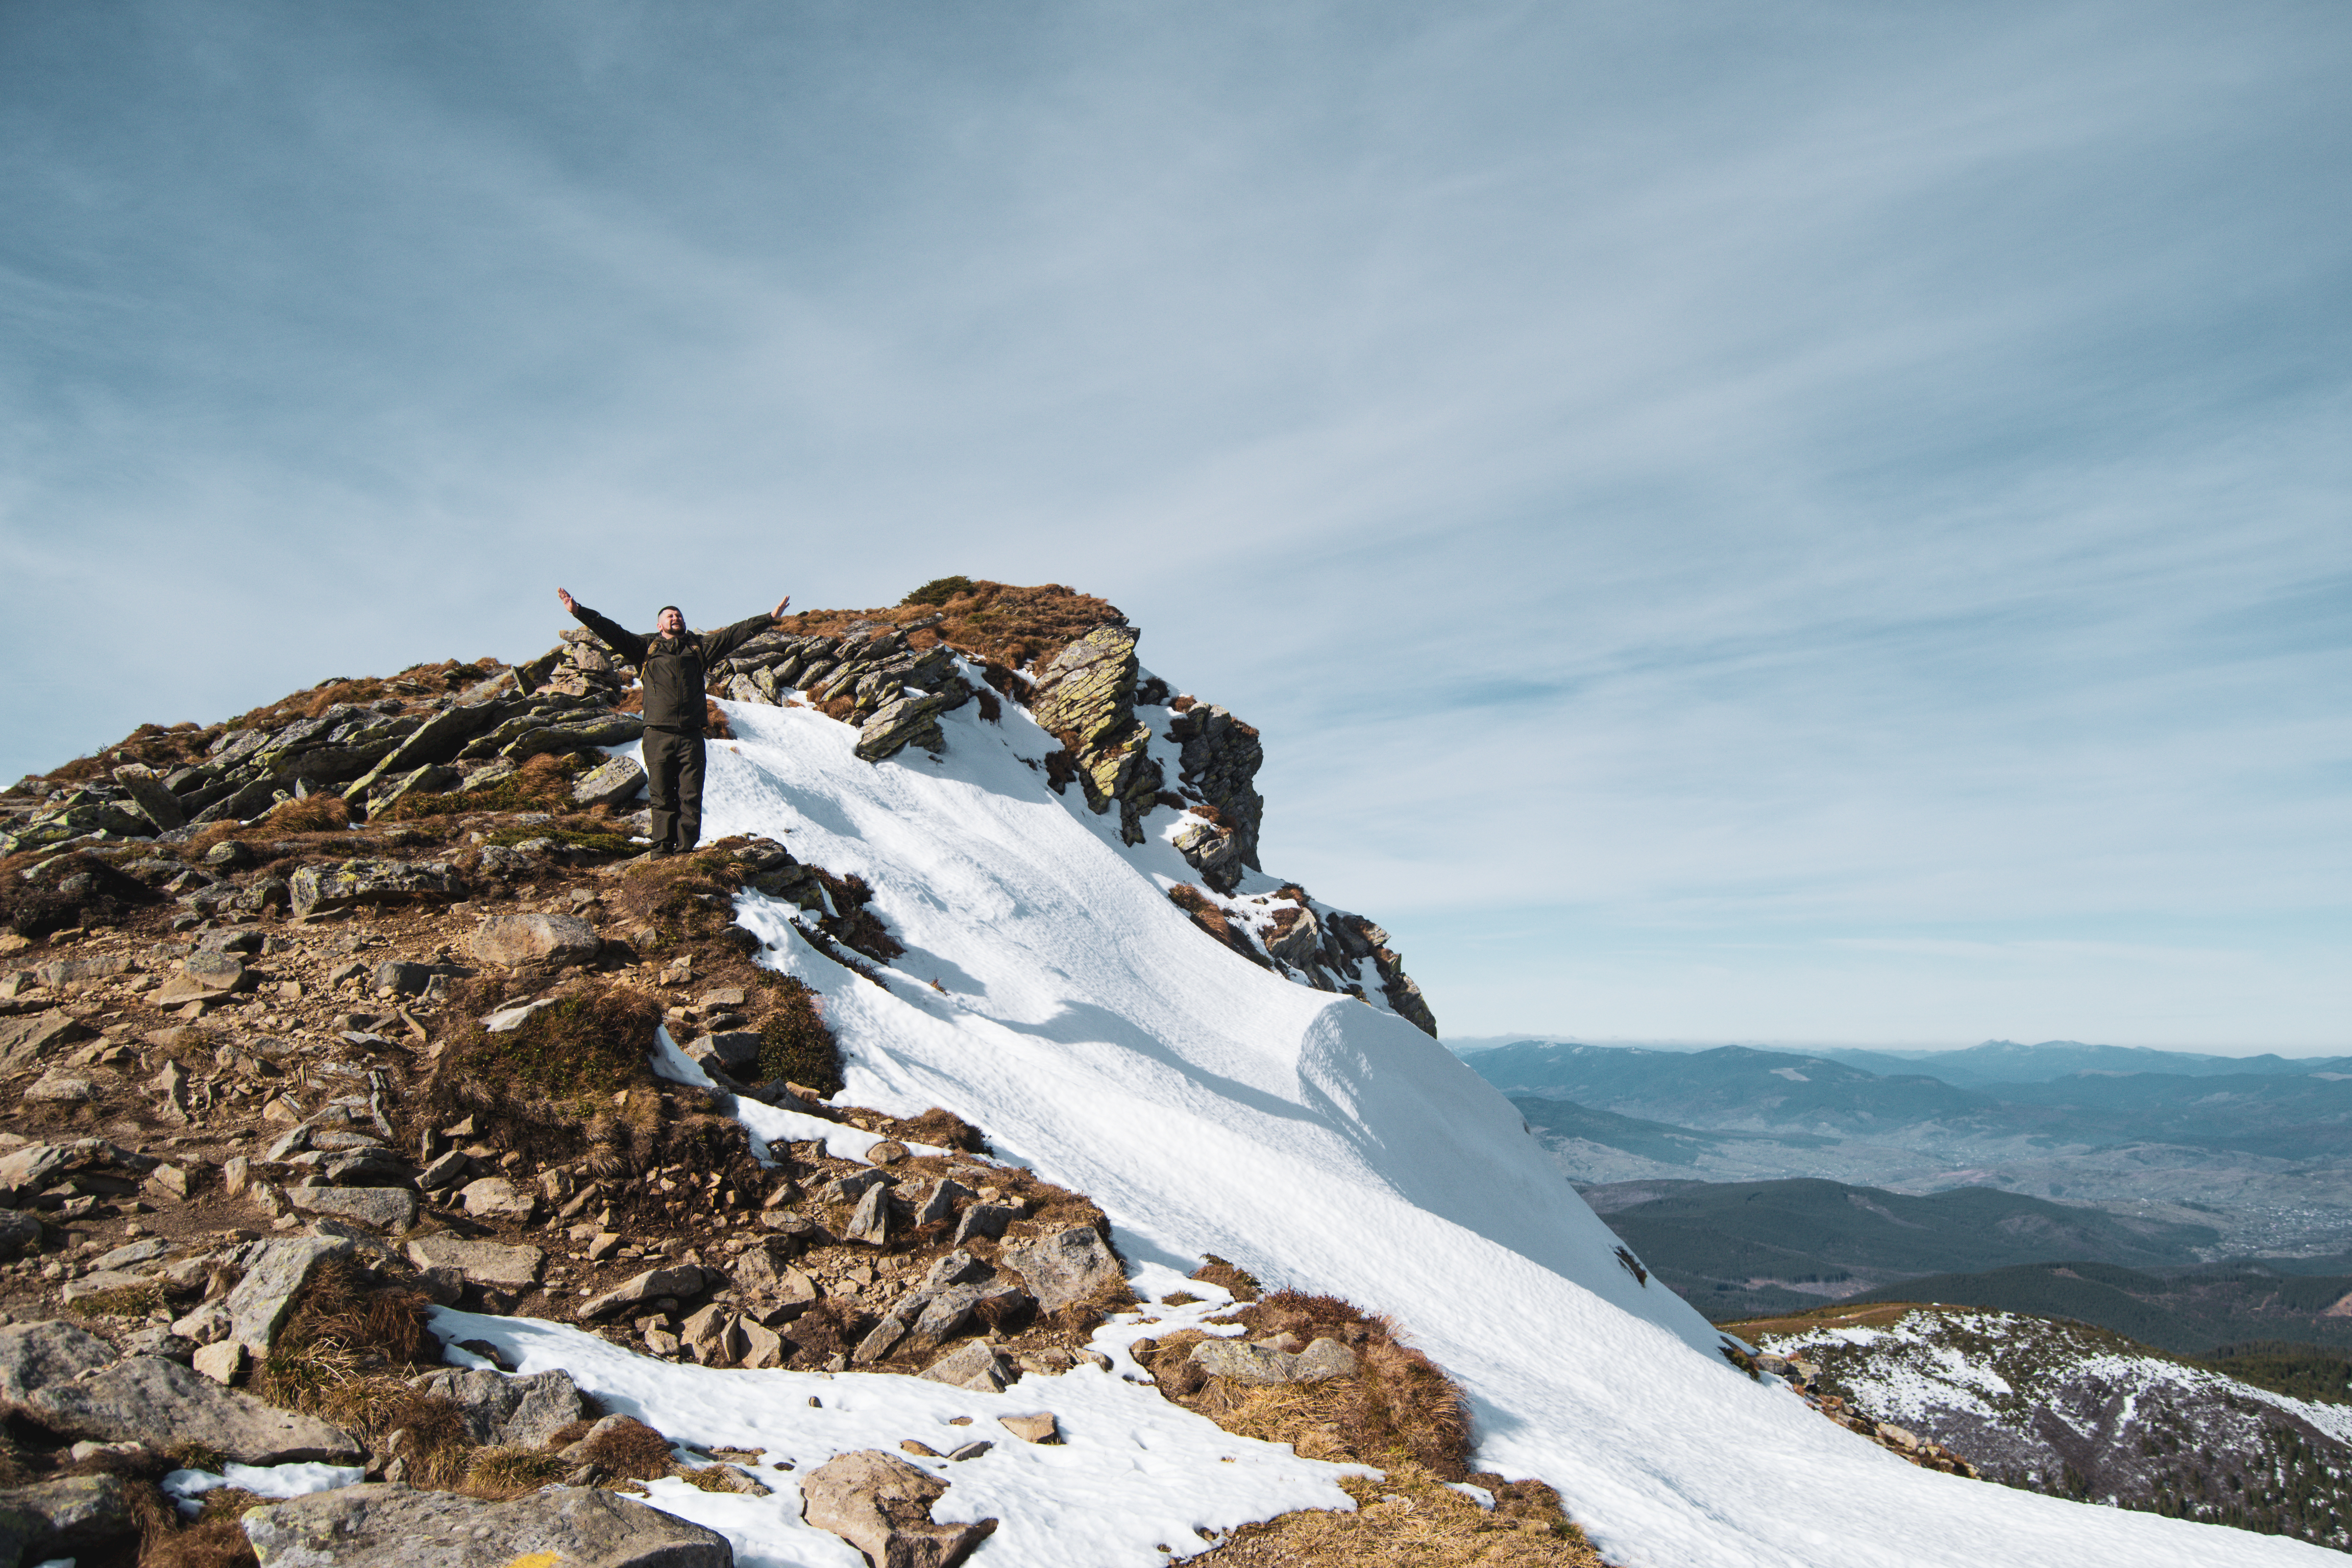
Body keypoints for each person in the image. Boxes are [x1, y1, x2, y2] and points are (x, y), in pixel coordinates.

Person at [555, 587, 791, 856]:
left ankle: (685, 850)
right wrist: (579, 612)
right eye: (670, 616)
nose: (675, 618)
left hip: (691, 735)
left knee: (691, 796)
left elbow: (732, 635)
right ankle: (660, 851)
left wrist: (769, 618)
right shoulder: (646, 647)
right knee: (662, 795)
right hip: (657, 734)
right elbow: (611, 630)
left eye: (678, 615)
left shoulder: (698, 648)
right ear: (659, 625)